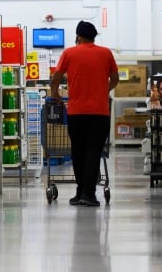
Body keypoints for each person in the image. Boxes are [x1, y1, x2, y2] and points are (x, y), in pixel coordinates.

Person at [50, 21, 118, 207]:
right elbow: (115, 78)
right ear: (94, 36)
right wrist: (104, 90)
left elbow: (56, 77)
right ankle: (87, 193)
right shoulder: (106, 53)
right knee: (93, 152)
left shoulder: (69, 53)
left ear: (78, 36)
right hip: (99, 113)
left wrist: (55, 93)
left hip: (76, 113)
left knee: (78, 152)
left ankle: (82, 191)